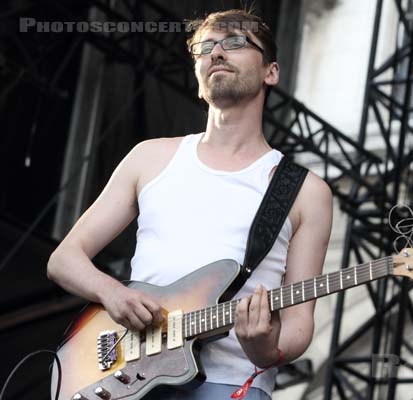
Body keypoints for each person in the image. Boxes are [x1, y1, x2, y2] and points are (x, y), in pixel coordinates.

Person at [46, 9, 333, 400]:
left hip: (230, 382)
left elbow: (300, 322)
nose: (217, 53)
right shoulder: (149, 157)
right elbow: (64, 260)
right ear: (198, 77)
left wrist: (264, 347)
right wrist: (113, 293)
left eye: (235, 42)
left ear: (271, 72)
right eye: (205, 47)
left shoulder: (305, 191)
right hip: (125, 376)